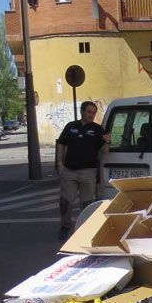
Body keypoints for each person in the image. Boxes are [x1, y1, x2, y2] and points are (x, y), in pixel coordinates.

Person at [57, 101, 109, 238]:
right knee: (65, 202)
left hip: (89, 172)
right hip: (70, 171)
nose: (91, 115)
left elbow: (105, 151)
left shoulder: (98, 130)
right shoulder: (71, 126)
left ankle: (84, 231)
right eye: (89, 112)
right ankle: (65, 225)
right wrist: (59, 163)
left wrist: (108, 141)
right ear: (82, 112)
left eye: (93, 112)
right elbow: (61, 144)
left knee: (87, 205)